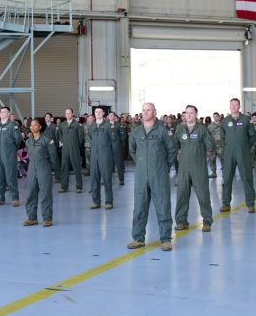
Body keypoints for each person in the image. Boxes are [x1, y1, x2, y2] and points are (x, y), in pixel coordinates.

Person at [128, 102, 178, 251]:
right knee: (139, 207)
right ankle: (138, 238)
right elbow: (133, 151)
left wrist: (164, 167)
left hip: (159, 174)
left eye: (148, 110)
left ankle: (166, 239)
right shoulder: (136, 132)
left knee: (162, 205)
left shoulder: (163, 130)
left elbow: (172, 150)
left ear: (155, 112)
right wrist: (142, 163)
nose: (145, 112)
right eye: (143, 110)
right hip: (141, 174)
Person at [173, 104, 215, 232]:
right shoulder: (180, 130)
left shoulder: (202, 130)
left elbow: (209, 147)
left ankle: (207, 222)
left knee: (203, 195)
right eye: (187, 113)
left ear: (196, 115)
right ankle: (181, 221)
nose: (188, 115)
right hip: (184, 167)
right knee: (182, 195)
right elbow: (176, 144)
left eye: (191, 113)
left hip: (198, 167)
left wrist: (198, 156)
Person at [220, 98, 256, 213]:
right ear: (230, 106)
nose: (234, 107)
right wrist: (228, 146)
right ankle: (226, 203)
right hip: (229, 153)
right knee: (227, 178)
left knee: (247, 177)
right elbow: (222, 137)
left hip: (243, 152)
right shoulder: (225, 121)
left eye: (236, 105)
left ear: (239, 106)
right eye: (232, 105)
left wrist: (245, 147)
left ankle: (250, 204)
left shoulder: (246, 119)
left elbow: (252, 136)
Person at [22, 118, 58, 227]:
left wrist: (53, 170)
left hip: (44, 168)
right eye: (31, 125)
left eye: (35, 125)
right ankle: (32, 218)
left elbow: (53, 156)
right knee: (31, 193)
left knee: (45, 193)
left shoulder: (47, 140)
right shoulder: (28, 141)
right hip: (32, 168)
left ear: (40, 127)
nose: (32, 127)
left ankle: (47, 218)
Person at [0, 108, 23, 206]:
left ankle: (15, 198)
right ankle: (0, 198)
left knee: (10, 176)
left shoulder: (13, 125)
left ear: (8, 114)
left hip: (8, 154)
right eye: (1, 112)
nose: (2, 113)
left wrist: (12, 149)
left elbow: (18, 139)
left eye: (4, 112)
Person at [86, 106, 116, 210]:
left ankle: (109, 201)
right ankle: (96, 201)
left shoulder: (108, 126)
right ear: (94, 114)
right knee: (94, 178)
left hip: (105, 155)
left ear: (103, 113)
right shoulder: (91, 126)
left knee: (107, 178)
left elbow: (113, 140)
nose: (98, 113)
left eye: (100, 112)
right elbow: (90, 137)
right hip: (94, 155)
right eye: (96, 112)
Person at [57, 108, 83, 193]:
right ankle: (64, 186)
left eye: (69, 113)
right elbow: (60, 133)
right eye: (66, 113)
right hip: (65, 149)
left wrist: (75, 145)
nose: (68, 115)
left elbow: (80, 137)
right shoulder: (62, 124)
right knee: (64, 167)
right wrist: (62, 140)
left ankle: (79, 187)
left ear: (72, 114)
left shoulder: (77, 124)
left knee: (77, 167)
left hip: (74, 149)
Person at [208, 112, 224, 178]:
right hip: (213, 146)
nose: (215, 118)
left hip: (221, 145)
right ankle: (214, 172)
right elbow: (207, 135)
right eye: (214, 116)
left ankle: (224, 173)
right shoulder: (210, 126)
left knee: (223, 159)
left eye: (216, 116)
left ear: (219, 117)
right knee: (212, 159)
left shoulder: (223, 125)